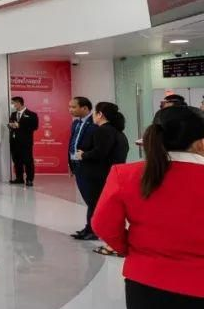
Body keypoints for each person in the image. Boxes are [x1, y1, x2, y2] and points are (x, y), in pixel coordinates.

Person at [92, 106, 204, 307]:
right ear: (200, 143)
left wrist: (133, 250)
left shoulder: (125, 174)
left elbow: (102, 223)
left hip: (144, 281)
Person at [76, 101, 129, 256]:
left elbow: (100, 152)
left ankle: (105, 238)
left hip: (99, 176)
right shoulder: (117, 132)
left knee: (98, 207)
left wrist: (83, 155)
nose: (93, 116)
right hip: (111, 175)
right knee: (106, 208)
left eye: (95, 113)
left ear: (100, 115)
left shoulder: (103, 131)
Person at [68, 97, 98, 239]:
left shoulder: (95, 123)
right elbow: (72, 143)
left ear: (85, 108)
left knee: (92, 200)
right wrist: (71, 163)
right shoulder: (75, 123)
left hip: (89, 166)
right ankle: (89, 228)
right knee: (88, 199)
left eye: (73, 107)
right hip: (77, 165)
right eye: (70, 107)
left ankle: (93, 229)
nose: (70, 110)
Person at [8, 96, 38, 186]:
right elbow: (12, 125)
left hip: (25, 142)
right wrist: (10, 125)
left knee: (28, 161)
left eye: (13, 103)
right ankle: (19, 178)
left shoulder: (31, 114)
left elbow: (34, 127)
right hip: (14, 142)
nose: (13, 105)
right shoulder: (13, 114)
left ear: (19, 103)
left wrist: (20, 125)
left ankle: (29, 179)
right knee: (17, 161)